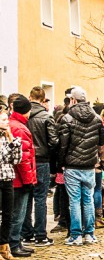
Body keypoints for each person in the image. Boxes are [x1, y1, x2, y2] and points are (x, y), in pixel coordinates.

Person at [58, 86, 104, 247]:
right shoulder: (97, 118)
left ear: (73, 100)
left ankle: (76, 235)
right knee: (88, 200)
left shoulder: (67, 118)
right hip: (90, 165)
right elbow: (101, 141)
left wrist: (60, 163)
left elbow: (63, 145)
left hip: (72, 165)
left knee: (74, 201)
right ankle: (89, 234)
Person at [21, 86, 59, 246]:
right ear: (43, 99)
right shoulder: (46, 117)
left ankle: (26, 233)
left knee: (26, 197)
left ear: (30, 97)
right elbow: (54, 141)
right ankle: (40, 234)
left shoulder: (24, 117)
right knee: (41, 198)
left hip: (27, 159)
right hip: (42, 160)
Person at [7, 96, 37, 259]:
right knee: (18, 213)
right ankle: (13, 243)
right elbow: (24, 159)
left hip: (16, 178)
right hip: (19, 180)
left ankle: (16, 242)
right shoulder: (19, 128)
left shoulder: (15, 125)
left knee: (16, 212)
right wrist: (28, 181)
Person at [0, 108, 22, 260]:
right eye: (3, 120)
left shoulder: (6, 137)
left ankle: (4, 246)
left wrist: (11, 139)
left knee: (8, 214)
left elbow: (16, 159)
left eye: (7, 119)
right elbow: (3, 156)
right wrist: (11, 143)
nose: (7, 122)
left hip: (8, 177)